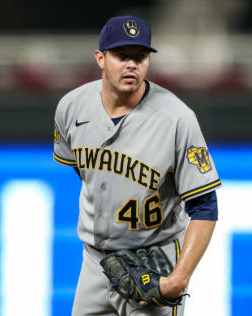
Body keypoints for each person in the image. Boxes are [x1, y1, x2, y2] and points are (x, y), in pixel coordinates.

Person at [53, 15, 221, 316]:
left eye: (140, 57)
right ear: (100, 58)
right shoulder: (71, 107)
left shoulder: (177, 119)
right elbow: (86, 172)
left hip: (152, 260)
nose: (132, 64)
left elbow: (205, 207)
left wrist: (178, 279)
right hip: (94, 261)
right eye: (121, 56)